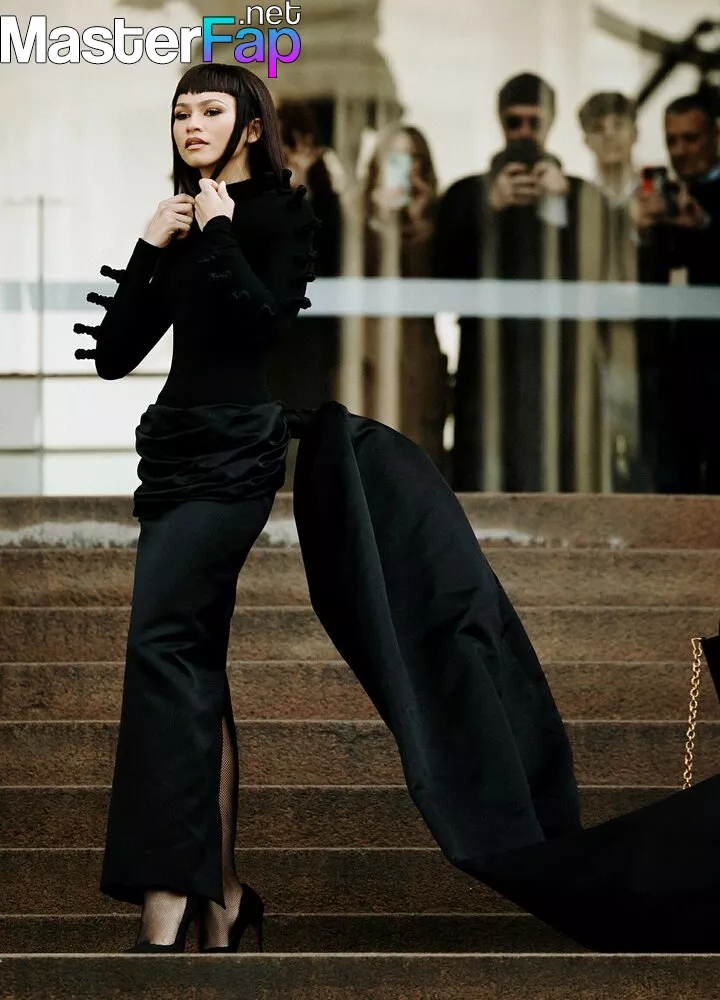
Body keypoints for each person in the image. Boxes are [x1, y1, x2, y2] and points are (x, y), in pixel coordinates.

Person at [73, 62, 317, 953]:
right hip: (174, 454)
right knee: (191, 663)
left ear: (250, 126)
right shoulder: (177, 219)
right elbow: (114, 356)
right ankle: (224, 899)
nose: (191, 124)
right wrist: (151, 244)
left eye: (211, 110)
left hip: (237, 452)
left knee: (161, 645)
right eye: (181, 112)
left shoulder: (280, 213)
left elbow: (264, 326)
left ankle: (168, 892)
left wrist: (217, 231)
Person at [434, 72, 602, 492]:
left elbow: (604, 269)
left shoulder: (580, 195)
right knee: (482, 469)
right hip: (487, 363)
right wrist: (488, 207)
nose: (525, 133)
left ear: (550, 123)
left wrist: (566, 202)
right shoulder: (466, 194)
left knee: (558, 470)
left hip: (559, 362)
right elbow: (440, 272)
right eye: (515, 122)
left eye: (534, 122)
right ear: (500, 121)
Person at [636, 90, 720, 492]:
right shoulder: (662, 199)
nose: (681, 151)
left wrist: (704, 225)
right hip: (670, 364)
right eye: (672, 140)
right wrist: (639, 230)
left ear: (716, 136)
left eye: (691, 138)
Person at [361, 124, 448, 469]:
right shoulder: (355, 214)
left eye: (412, 158)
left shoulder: (436, 217)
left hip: (416, 355)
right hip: (367, 354)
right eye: (394, 158)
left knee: (417, 456)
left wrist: (417, 221)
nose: (404, 167)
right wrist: (380, 221)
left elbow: (433, 286)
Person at [577, 91, 648, 490]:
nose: (609, 136)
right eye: (598, 128)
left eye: (618, 125)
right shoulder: (578, 201)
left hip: (644, 340)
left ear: (634, 132)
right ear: (586, 139)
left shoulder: (658, 196)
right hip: (594, 338)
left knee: (644, 446)